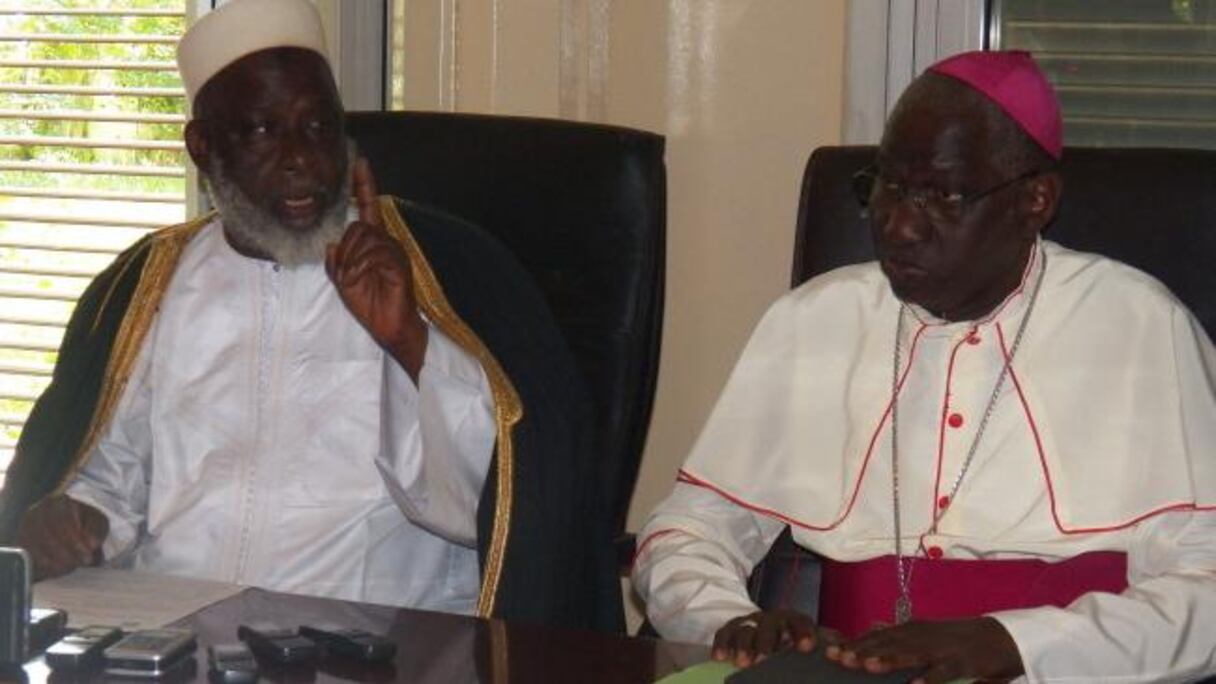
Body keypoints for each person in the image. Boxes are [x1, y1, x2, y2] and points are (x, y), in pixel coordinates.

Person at [0, 0, 621, 633]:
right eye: (262, 131)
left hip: (376, 647)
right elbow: (112, 472)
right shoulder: (145, 287)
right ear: (202, 147)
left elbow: (508, 498)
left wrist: (411, 342)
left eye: (319, 127)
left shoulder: (446, 269)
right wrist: (79, 515)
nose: (300, 157)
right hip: (174, 637)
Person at [633, 50, 1216, 682]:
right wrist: (729, 619)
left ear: (1036, 199)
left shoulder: (1138, 326)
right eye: (887, 185)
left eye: (942, 195)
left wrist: (1020, 644)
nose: (899, 225)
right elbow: (684, 534)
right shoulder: (816, 319)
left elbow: (1206, 591)